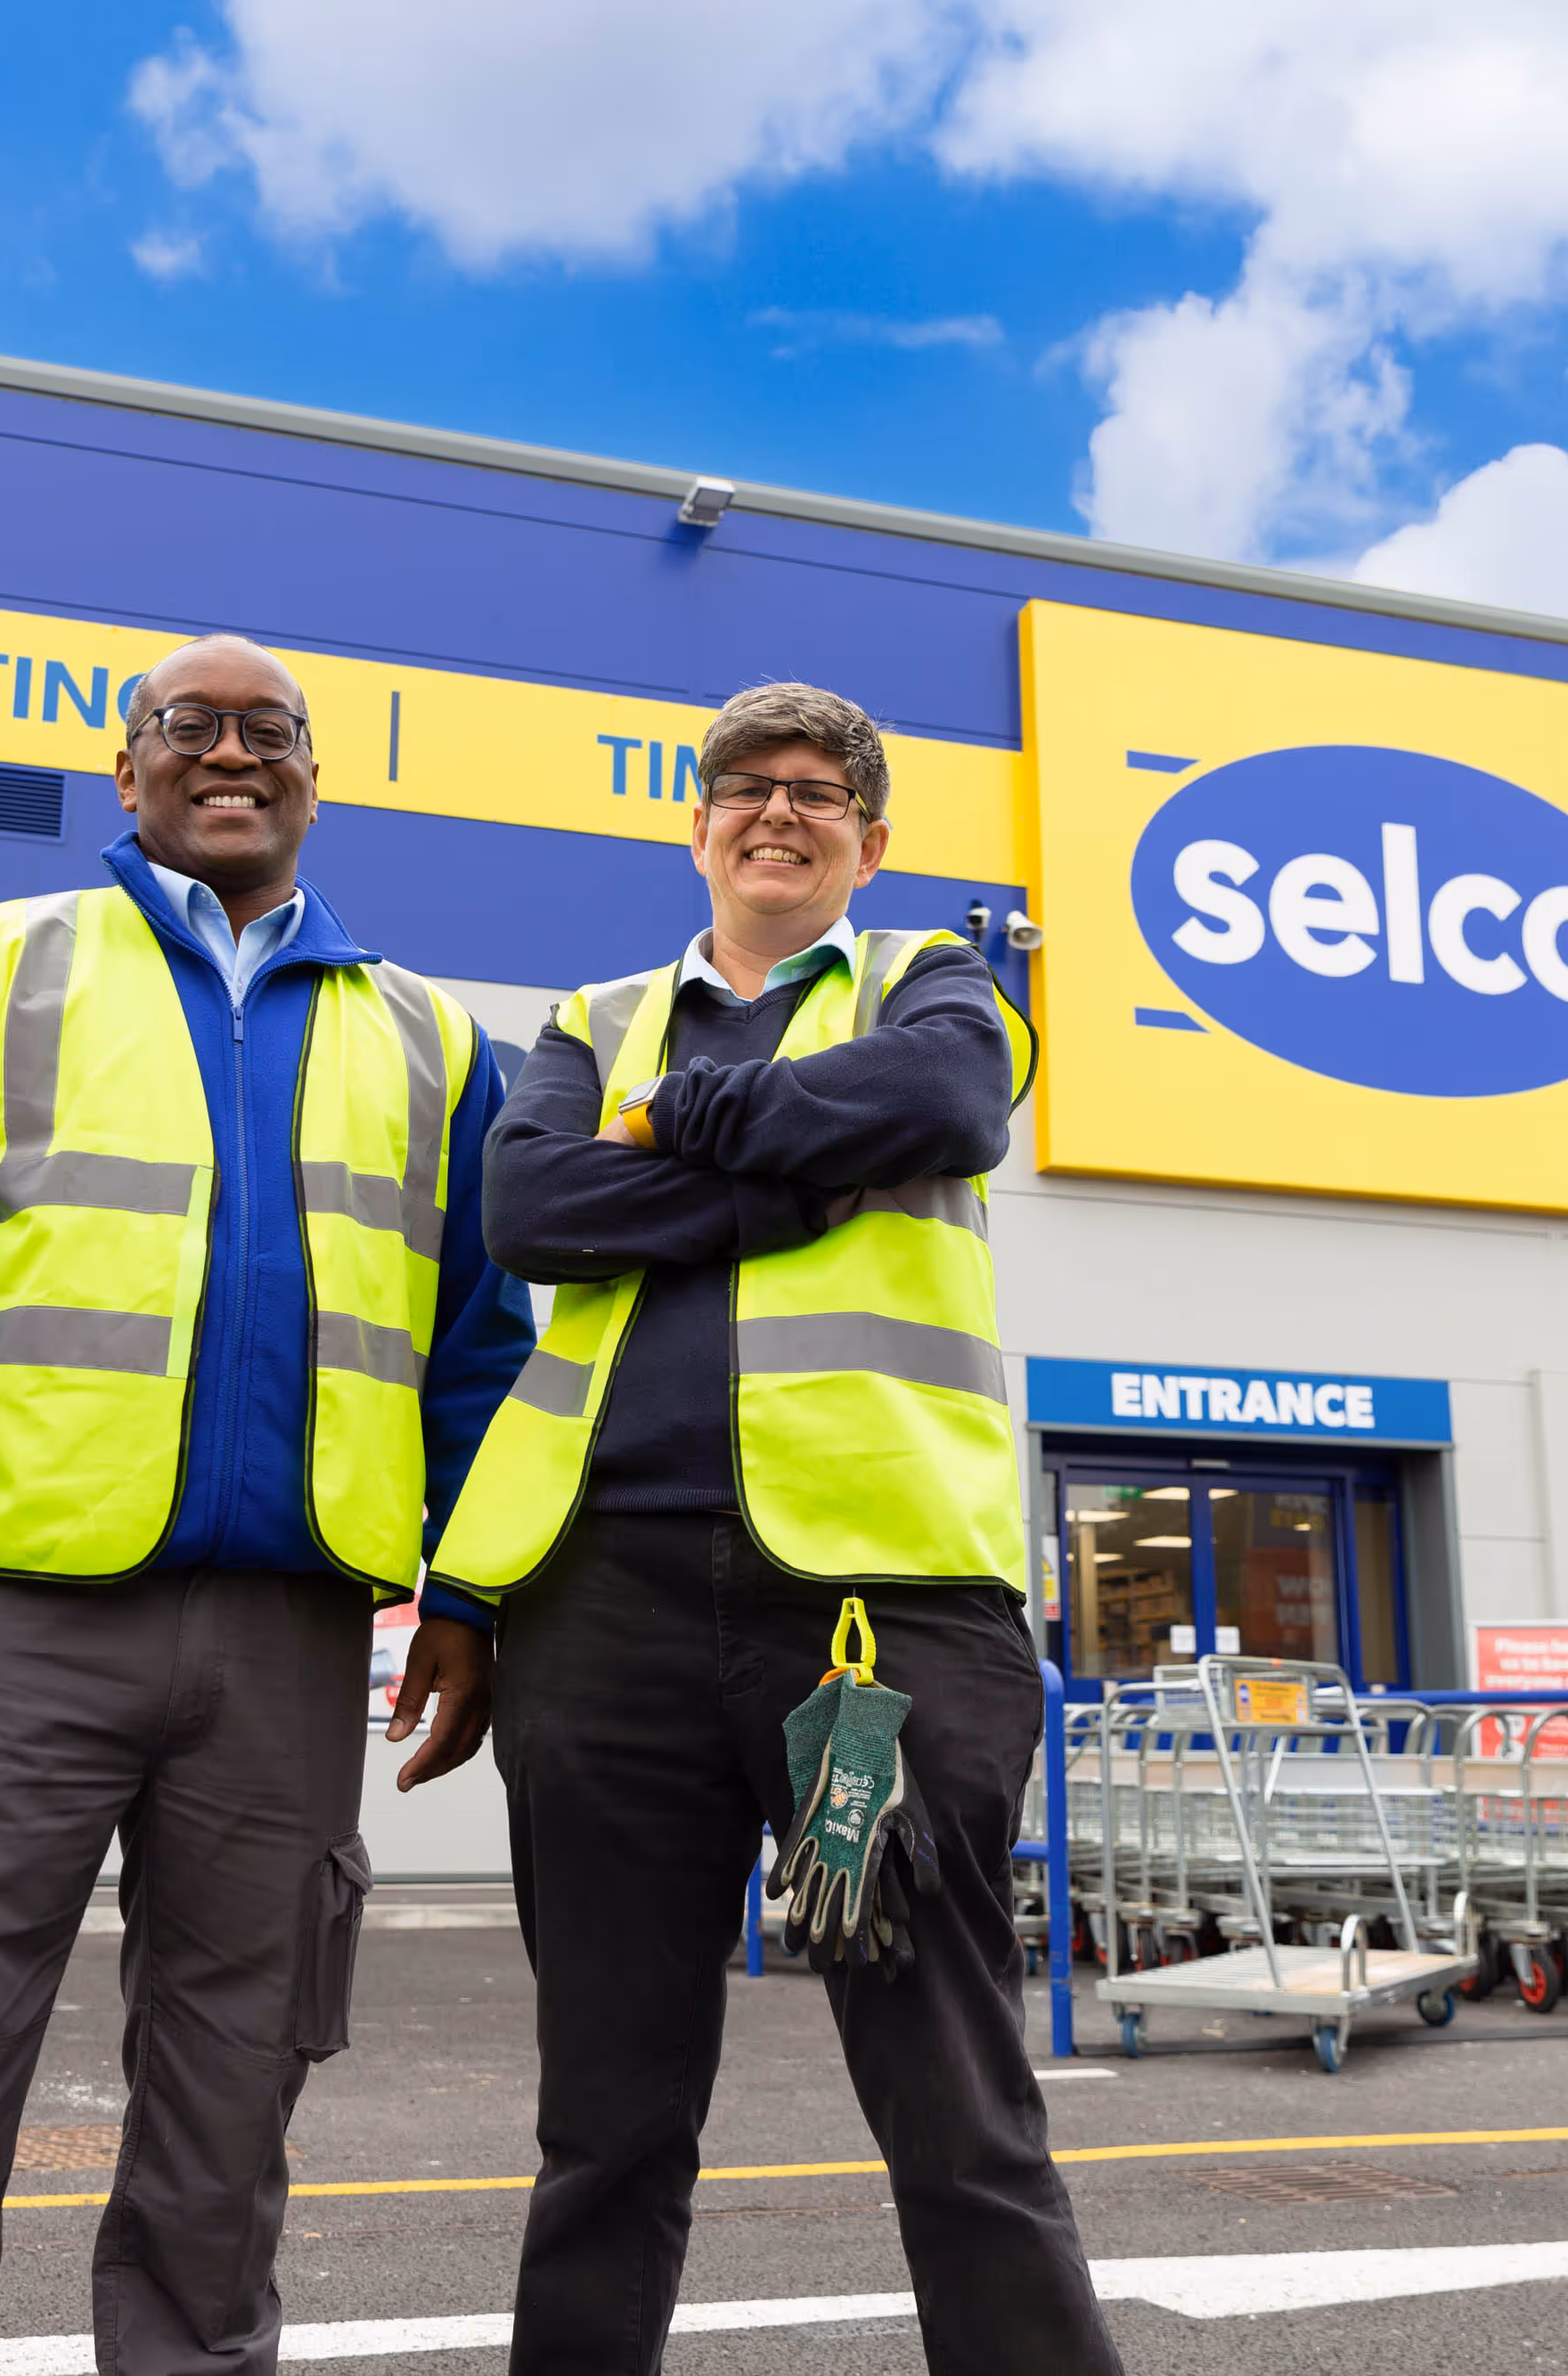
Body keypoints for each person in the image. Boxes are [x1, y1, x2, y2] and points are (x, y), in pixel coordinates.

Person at [0, 633, 532, 2376]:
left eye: (273, 732)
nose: (233, 752)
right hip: (0, 1632)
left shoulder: (429, 1039)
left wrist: (472, 1598)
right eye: (190, 726)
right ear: (127, 772)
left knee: (233, 2087)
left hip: (291, 1639)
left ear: (316, 780)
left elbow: (478, 1350)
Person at [426, 682, 1120, 2373]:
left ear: (871, 841)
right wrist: (809, 1166)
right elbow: (533, 1209)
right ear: (701, 822)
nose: (779, 812)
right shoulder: (588, 1017)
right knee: (608, 2111)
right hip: (606, 1618)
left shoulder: (937, 987)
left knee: (943, 2092)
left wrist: (674, 1127)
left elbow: (946, 1109)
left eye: (821, 793)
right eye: (746, 787)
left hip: (868, 1627)